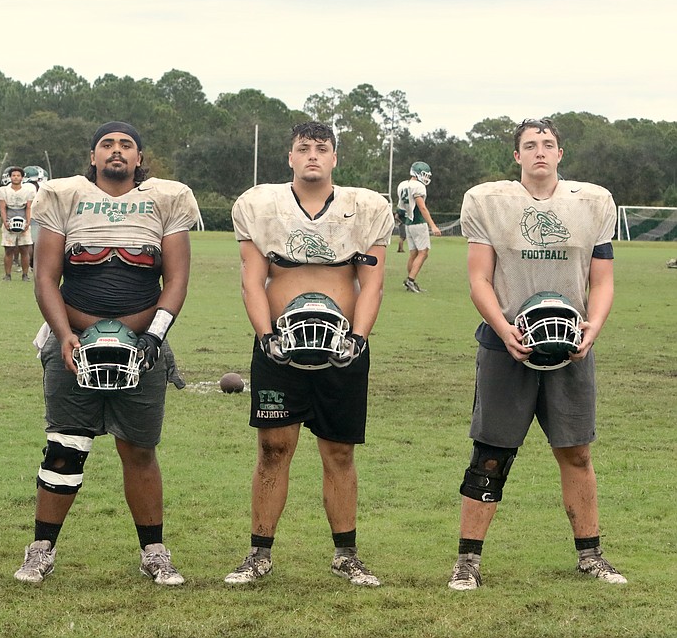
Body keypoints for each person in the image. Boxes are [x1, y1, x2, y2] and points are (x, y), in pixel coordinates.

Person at [13, 121, 198, 587]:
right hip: (74, 337)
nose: (117, 151)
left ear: (139, 158)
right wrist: (64, 334)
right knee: (64, 446)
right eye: (107, 145)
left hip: (141, 342)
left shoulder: (166, 199)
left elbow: (175, 279)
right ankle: (41, 550)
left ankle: (154, 552)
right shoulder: (64, 196)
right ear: (92, 157)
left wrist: (154, 337)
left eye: (127, 145)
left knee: (139, 450)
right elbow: (45, 277)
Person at [447, 117, 624, 590]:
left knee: (577, 452)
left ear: (560, 154)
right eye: (530, 145)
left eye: (548, 144)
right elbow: (479, 279)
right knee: (490, 454)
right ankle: (468, 562)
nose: (540, 152)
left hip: (571, 344)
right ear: (517, 156)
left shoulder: (591, 203)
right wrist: (504, 329)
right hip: (508, 344)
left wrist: (595, 328)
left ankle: (591, 555)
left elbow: (602, 280)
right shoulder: (491, 202)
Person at [224, 121, 393, 587]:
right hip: (280, 346)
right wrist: (265, 336)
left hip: (343, 346)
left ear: (335, 158)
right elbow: (252, 280)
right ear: (290, 158)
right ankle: (259, 554)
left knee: (339, 452)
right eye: (304, 148)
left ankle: (346, 555)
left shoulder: (366, 208)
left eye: (322, 148)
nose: (313, 155)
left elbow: (372, 283)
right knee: (273, 449)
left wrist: (358, 338)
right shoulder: (260, 206)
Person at [396, 161, 441, 292]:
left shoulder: (403, 185)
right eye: (424, 175)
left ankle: (410, 281)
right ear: (417, 173)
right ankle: (410, 280)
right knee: (424, 252)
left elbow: (401, 207)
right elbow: (421, 206)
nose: (426, 178)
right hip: (418, 222)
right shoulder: (418, 187)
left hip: (409, 223)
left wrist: (401, 218)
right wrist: (433, 225)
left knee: (413, 253)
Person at [0, 166, 36, 281]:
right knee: (9, 249)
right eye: (13, 175)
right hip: (9, 219)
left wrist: (28, 222)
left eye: (18, 175)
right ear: (10, 177)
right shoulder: (3, 191)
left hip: (23, 220)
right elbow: (3, 208)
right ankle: (7, 275)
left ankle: (25, 274)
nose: (16, 177)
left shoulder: (28, 191)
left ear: (22, 178)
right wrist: (5, 222)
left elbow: (28, 207)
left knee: (24, 249)